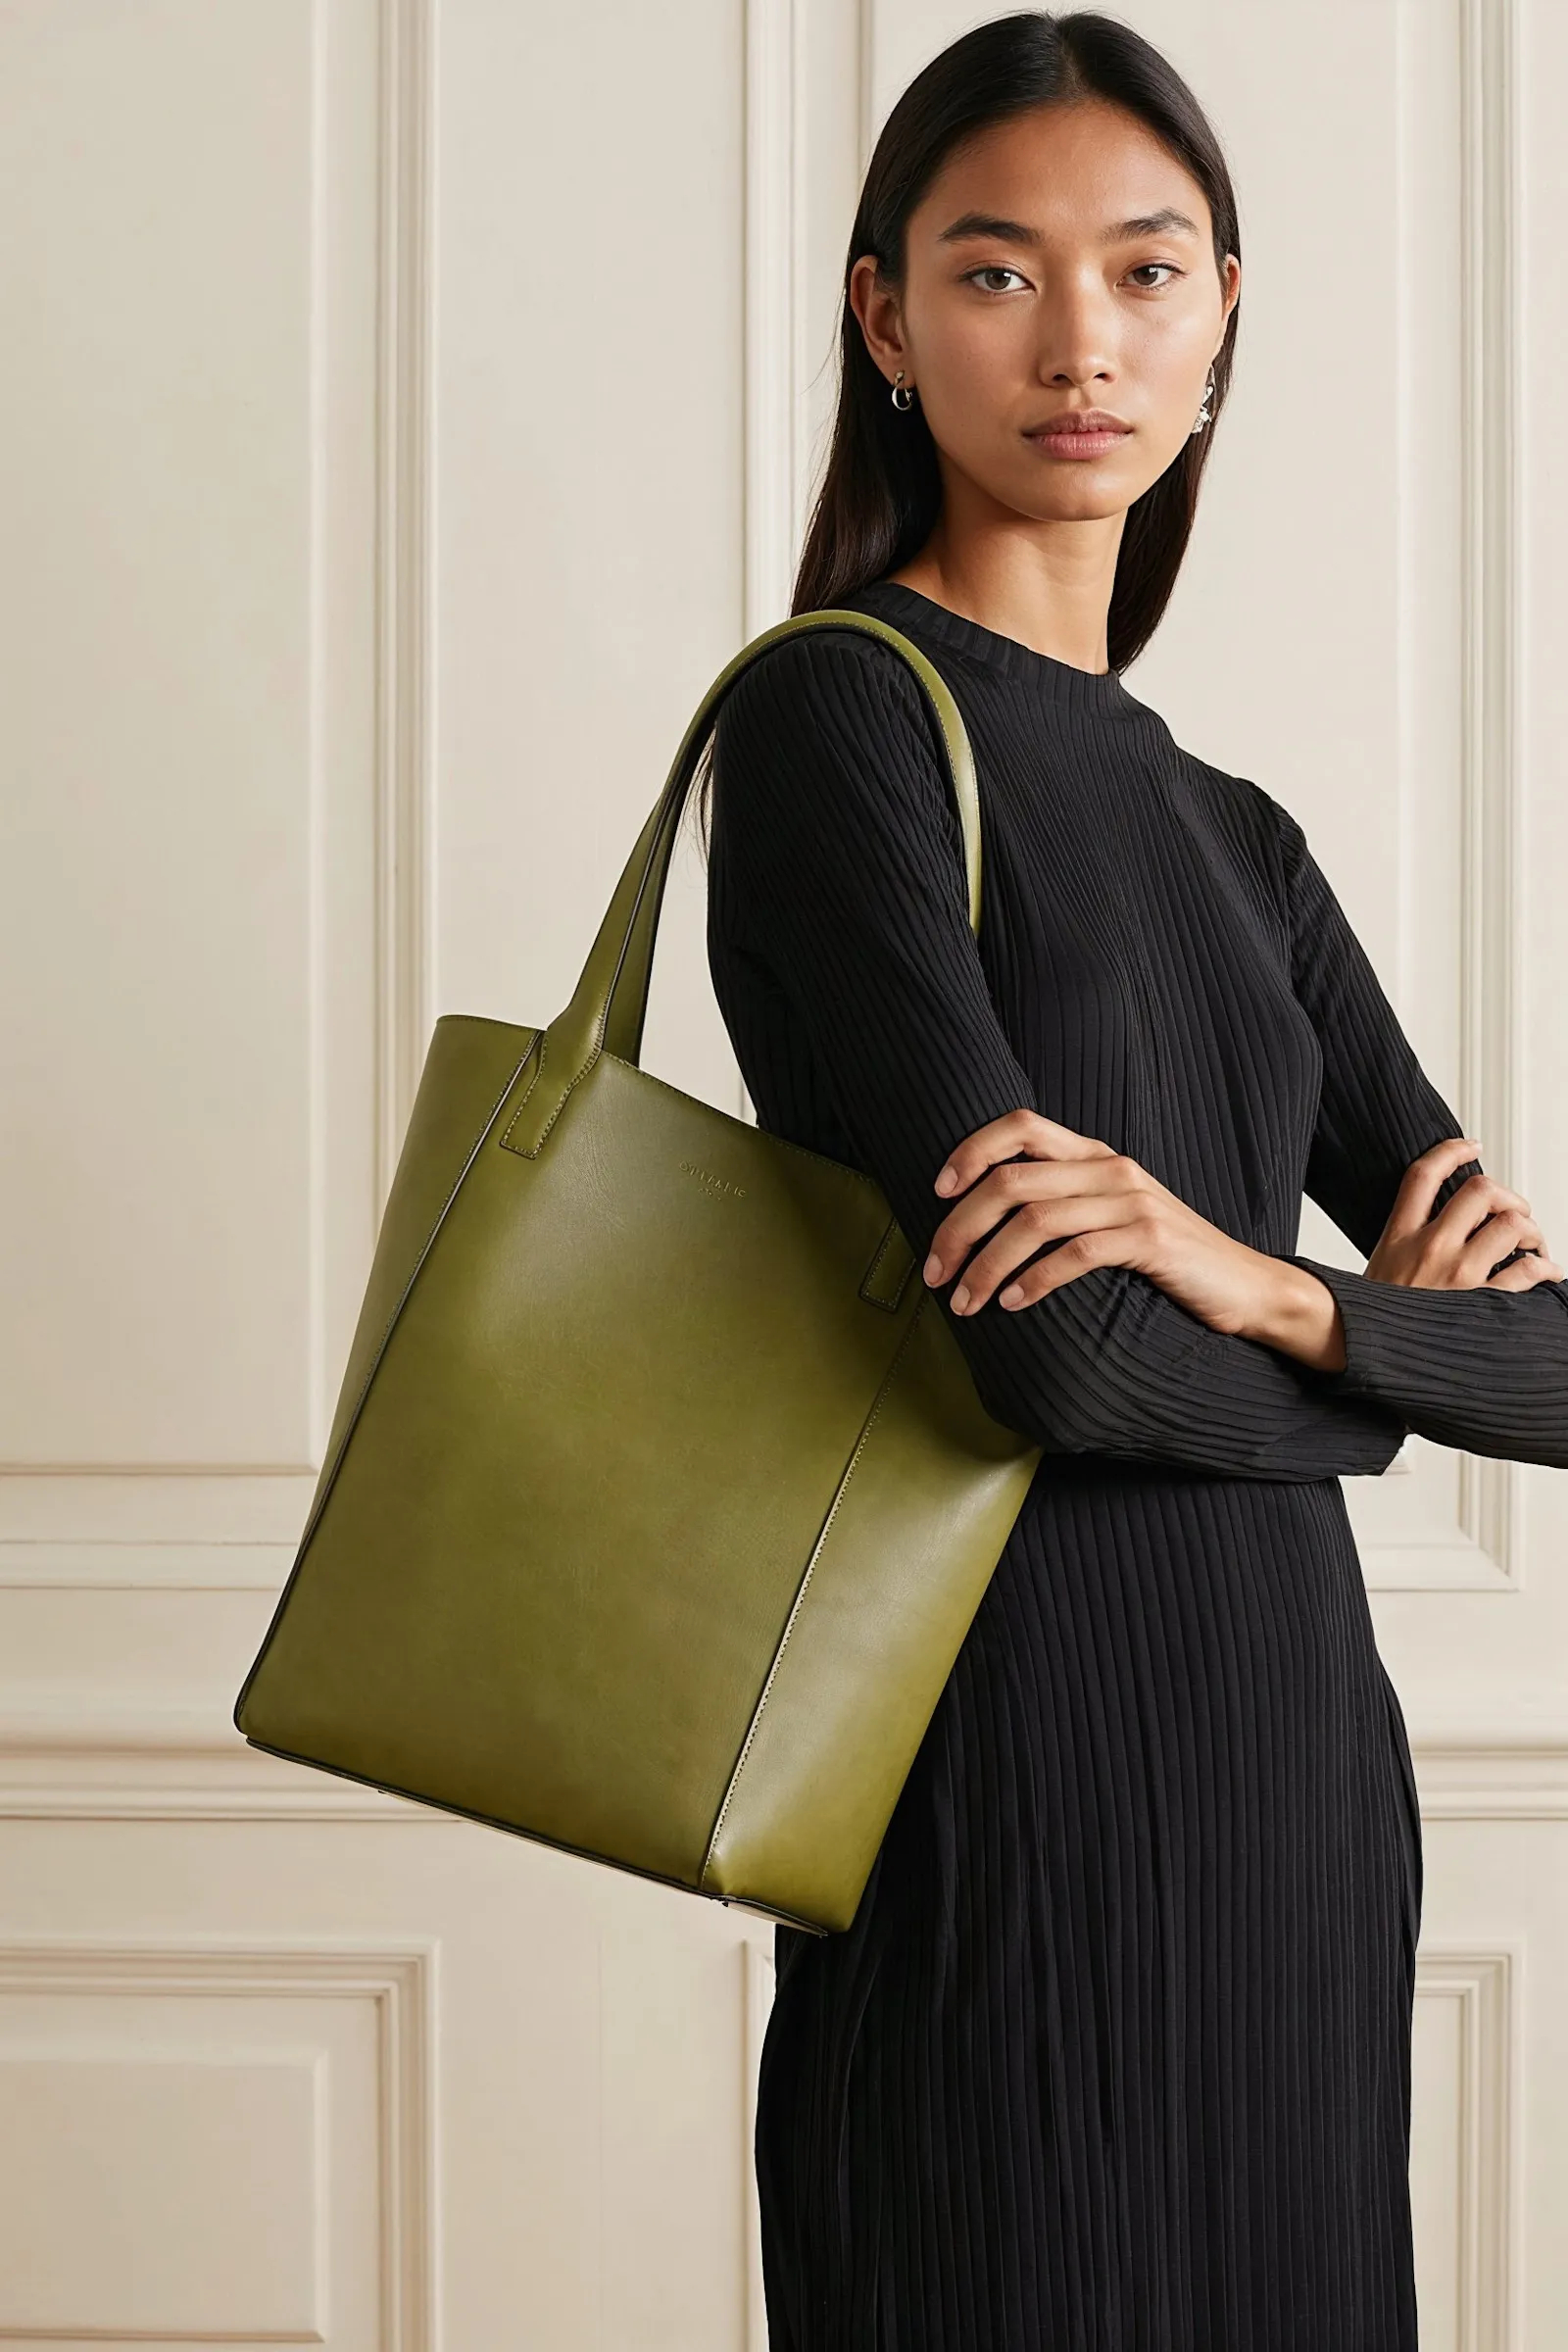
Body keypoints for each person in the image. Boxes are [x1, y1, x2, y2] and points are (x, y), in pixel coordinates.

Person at [700, 11, 1568, 2348]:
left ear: (1220, 313)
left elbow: (1556, 1362)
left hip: (1286, 1786)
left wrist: (1265, 1286)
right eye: (993, 274)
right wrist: (1375, 1364)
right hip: (1004, 1780)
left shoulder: (1231, 834)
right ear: (883, 318)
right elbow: (1056, 1359)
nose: (1078, 339)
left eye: (1143, 269)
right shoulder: (837, 720)